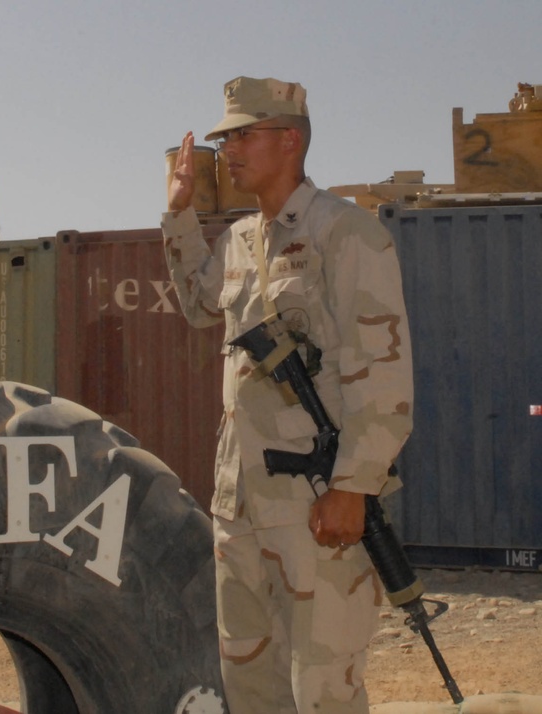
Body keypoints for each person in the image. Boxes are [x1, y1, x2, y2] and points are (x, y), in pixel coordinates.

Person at [163, 77, 414, 712]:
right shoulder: (241, 239)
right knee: (250, 686)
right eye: (225, 137)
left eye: (244, 134)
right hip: (241, 504)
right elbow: (197, 304)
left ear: (290, 140)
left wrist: (353, 486)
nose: (229, 149)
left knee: (325, 690)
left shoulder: (347, 233)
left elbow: (382, 374)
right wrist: (178, 214)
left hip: (316, 505)